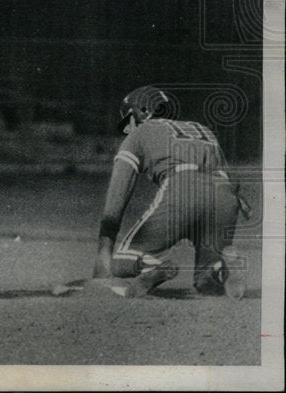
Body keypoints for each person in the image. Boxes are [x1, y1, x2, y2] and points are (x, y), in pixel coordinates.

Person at [91, 85, 249, 298]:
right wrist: (239, 202)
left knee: (119, 262)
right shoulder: (203, 130)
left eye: (126, 121)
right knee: (204, 282)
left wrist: (104, 250)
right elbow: (230, 179)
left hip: (183, 186)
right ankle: (222, 269)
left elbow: (117, 194)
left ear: (143, 111)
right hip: (225, 195)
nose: (126, 129)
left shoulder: (140, 132)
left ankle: (152, 267)